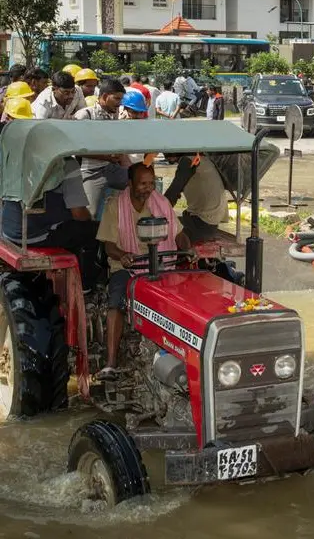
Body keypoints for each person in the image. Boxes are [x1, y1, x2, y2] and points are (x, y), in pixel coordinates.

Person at [96, 162, 190, 380]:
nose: (147, 188)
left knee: (181, 300)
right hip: (127, 267)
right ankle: (110, 363)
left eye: (151, 183)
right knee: (116, 302)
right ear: (130, 184)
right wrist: (123, 256)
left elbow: (178, 233)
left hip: (161, 265)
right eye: (142, 184)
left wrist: (188, 247)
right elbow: (109, 246)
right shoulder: (114, 206)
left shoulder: (162, 203)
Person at [2, 156, 99, 290]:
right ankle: (86, 287)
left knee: (72, 228)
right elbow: (78, 214)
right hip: (33, 234)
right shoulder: (68, 164)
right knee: (94, 231)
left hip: (8, 230)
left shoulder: (18, 159)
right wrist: (91, 219)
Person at [75, 79, 130, 215]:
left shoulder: (115, 113)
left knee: (141, 184)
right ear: (105, 96)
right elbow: (77, 149)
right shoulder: (85, 115)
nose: (120, 103)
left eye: (121, 99)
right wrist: (106, 157)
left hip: (111, 167)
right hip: (90, 171)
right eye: (117, 99)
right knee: (90, 213)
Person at [164, 152, 228, 242]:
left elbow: (172, 192)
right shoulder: (199, 159)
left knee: (162, 230)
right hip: (209, 221)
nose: (166, 156)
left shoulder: (188, 161)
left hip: (202, 222)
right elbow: (175, 193)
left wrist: (157, 212)